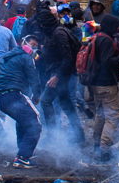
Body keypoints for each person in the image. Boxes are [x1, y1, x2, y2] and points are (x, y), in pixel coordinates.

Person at [0, 35, 42, 168]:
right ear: (22, 43)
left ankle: (23, 150)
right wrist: (37, 95)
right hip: (14, 95)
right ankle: (23, 157)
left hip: (1, 98)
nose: (33, 47)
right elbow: (34, 77)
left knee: (23, 121)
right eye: (31, 43)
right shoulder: (26, 58)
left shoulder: (5, 57)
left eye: (35, 45)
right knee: (35, 124)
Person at [34, 7, 84, 145]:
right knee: (67, 104)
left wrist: (57, 76)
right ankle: (79, 136)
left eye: (41, 24)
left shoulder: (59, 33)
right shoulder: (53, 32)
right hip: (57, 73)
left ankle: (52, 136)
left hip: (60, 75)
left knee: (45, 101)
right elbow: (52, 54)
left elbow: (68, 58)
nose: (40, 27)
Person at [83, 14, 119, 162]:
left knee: (101, 114)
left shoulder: (98, 36)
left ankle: (97, 143)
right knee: (112, 117)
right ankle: (104, 148)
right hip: (107, 83)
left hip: (96, 83)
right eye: (116, 26)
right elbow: (107, 62)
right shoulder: (107, 41)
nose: (118, 29)